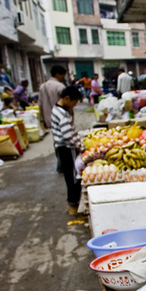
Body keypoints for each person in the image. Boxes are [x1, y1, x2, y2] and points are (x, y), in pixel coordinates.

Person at [51, 85, 84, 216]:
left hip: (63, 148)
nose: (74, 105)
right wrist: (81, 147)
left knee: (70, 177)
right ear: (67, 98)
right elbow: (69, 135)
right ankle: (72, 204)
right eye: (74, 102)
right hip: (67, 148)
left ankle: (72, 203)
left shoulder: (59, 109)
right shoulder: (62, 113)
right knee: (73, 178)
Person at [39, 65, 67, 130]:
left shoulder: (42, 86)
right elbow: (67, 103)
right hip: (61, 119)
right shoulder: (60, 86)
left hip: (48, 119)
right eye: (63, 75)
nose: (63, 78)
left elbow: (40, 104)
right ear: (57, 74)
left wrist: (42, 120)